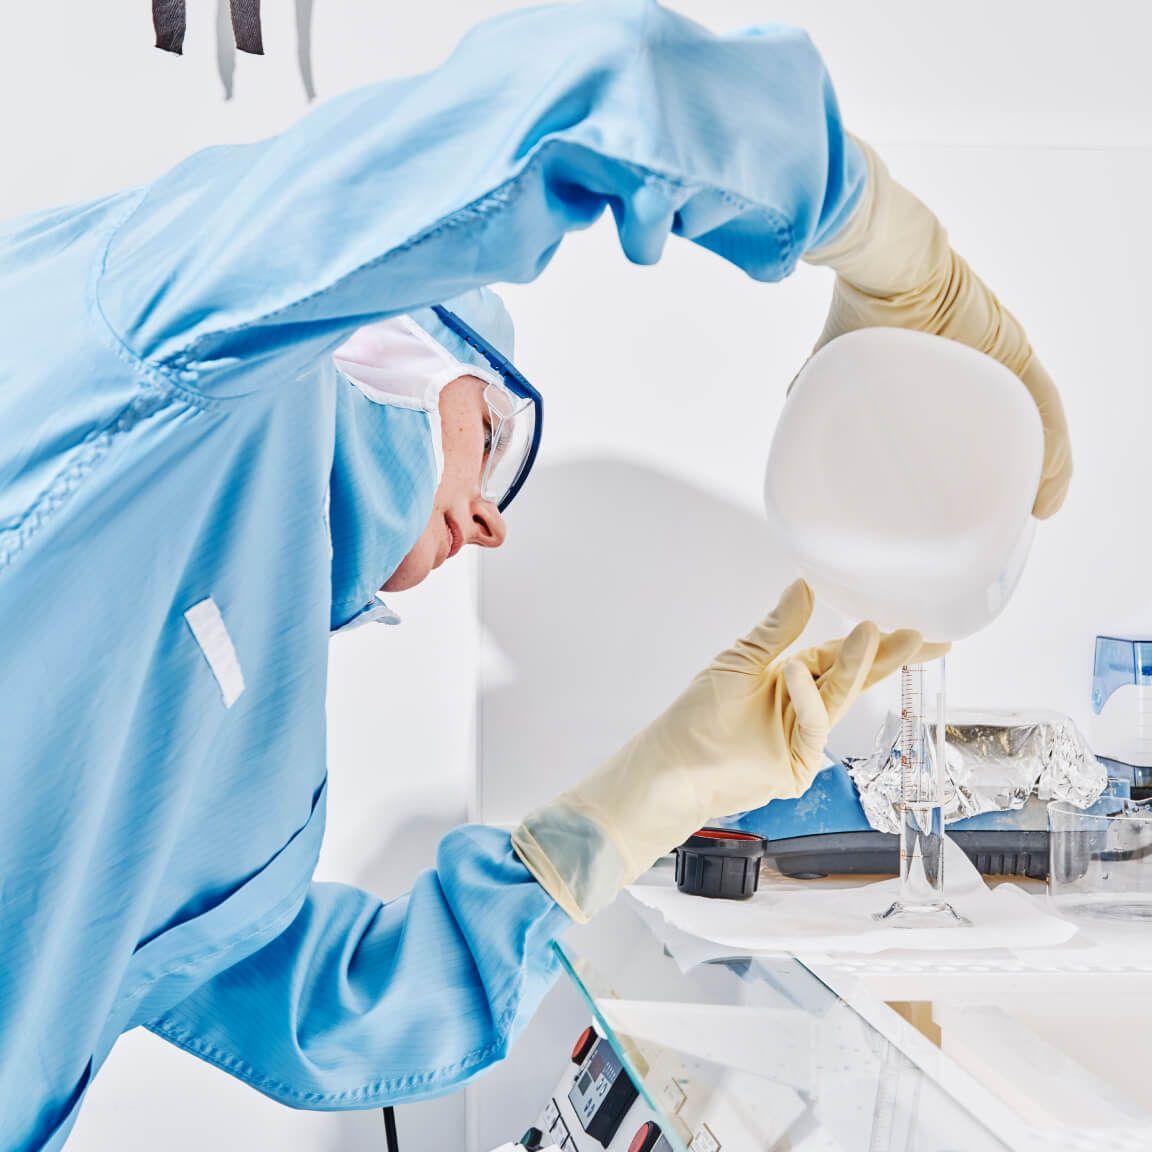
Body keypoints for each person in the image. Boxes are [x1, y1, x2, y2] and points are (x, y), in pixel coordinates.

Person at [0, 1, 1070, 1147]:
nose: (490, 524)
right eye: (496, 440)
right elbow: (606, 92)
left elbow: (327, 1014)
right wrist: (895, 253)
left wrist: (647, 796)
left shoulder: (254, 770)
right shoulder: (149, 318)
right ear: (417, 357)